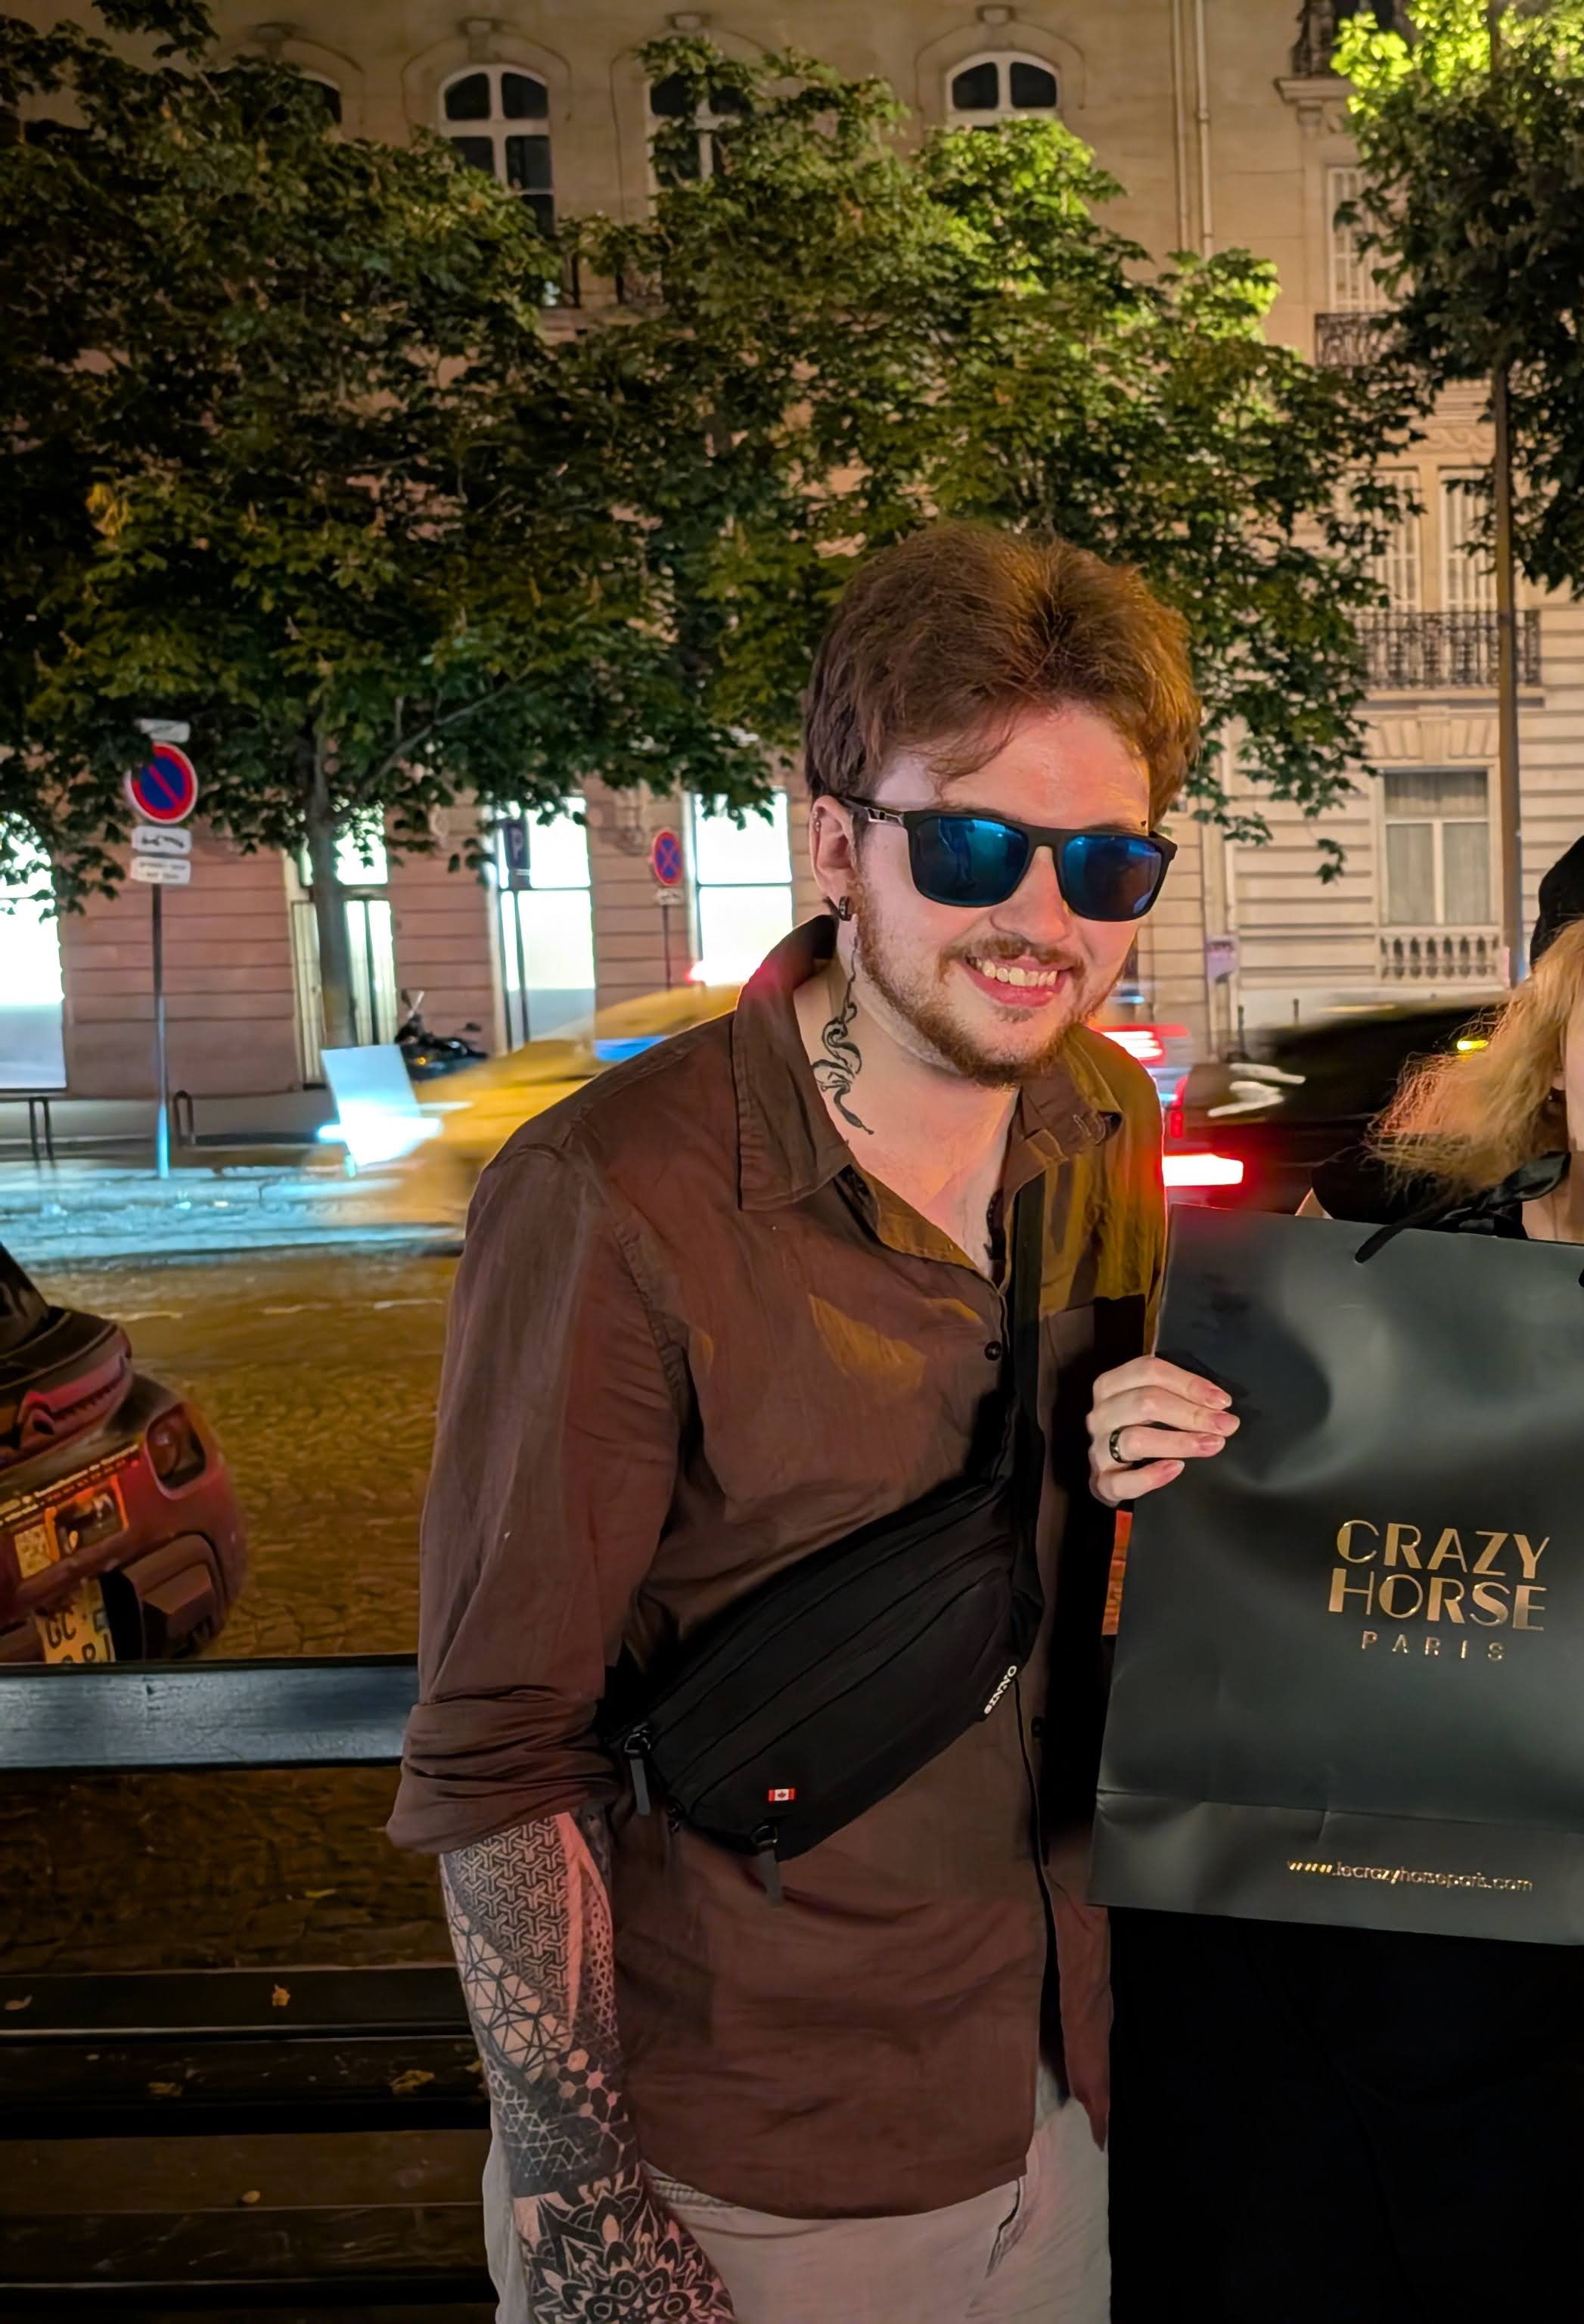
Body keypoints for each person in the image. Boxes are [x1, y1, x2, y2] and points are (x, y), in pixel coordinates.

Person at [392, 524, 1193, 2323]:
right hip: (745, 2174)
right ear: (835, 845)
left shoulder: (1104, 1125)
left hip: (1067, 2104)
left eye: (1108, 862)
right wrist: (591, 2225)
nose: (1046, 921)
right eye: (973, 846)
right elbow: (502, 1749)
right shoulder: (612, 1198)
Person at [1085, 802, 1584, 2322]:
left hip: (1511, 2007)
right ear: (1557, 1042)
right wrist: (1141, 1457)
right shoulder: (1381, 1227)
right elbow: (1221, 1541)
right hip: (1243, 1953)